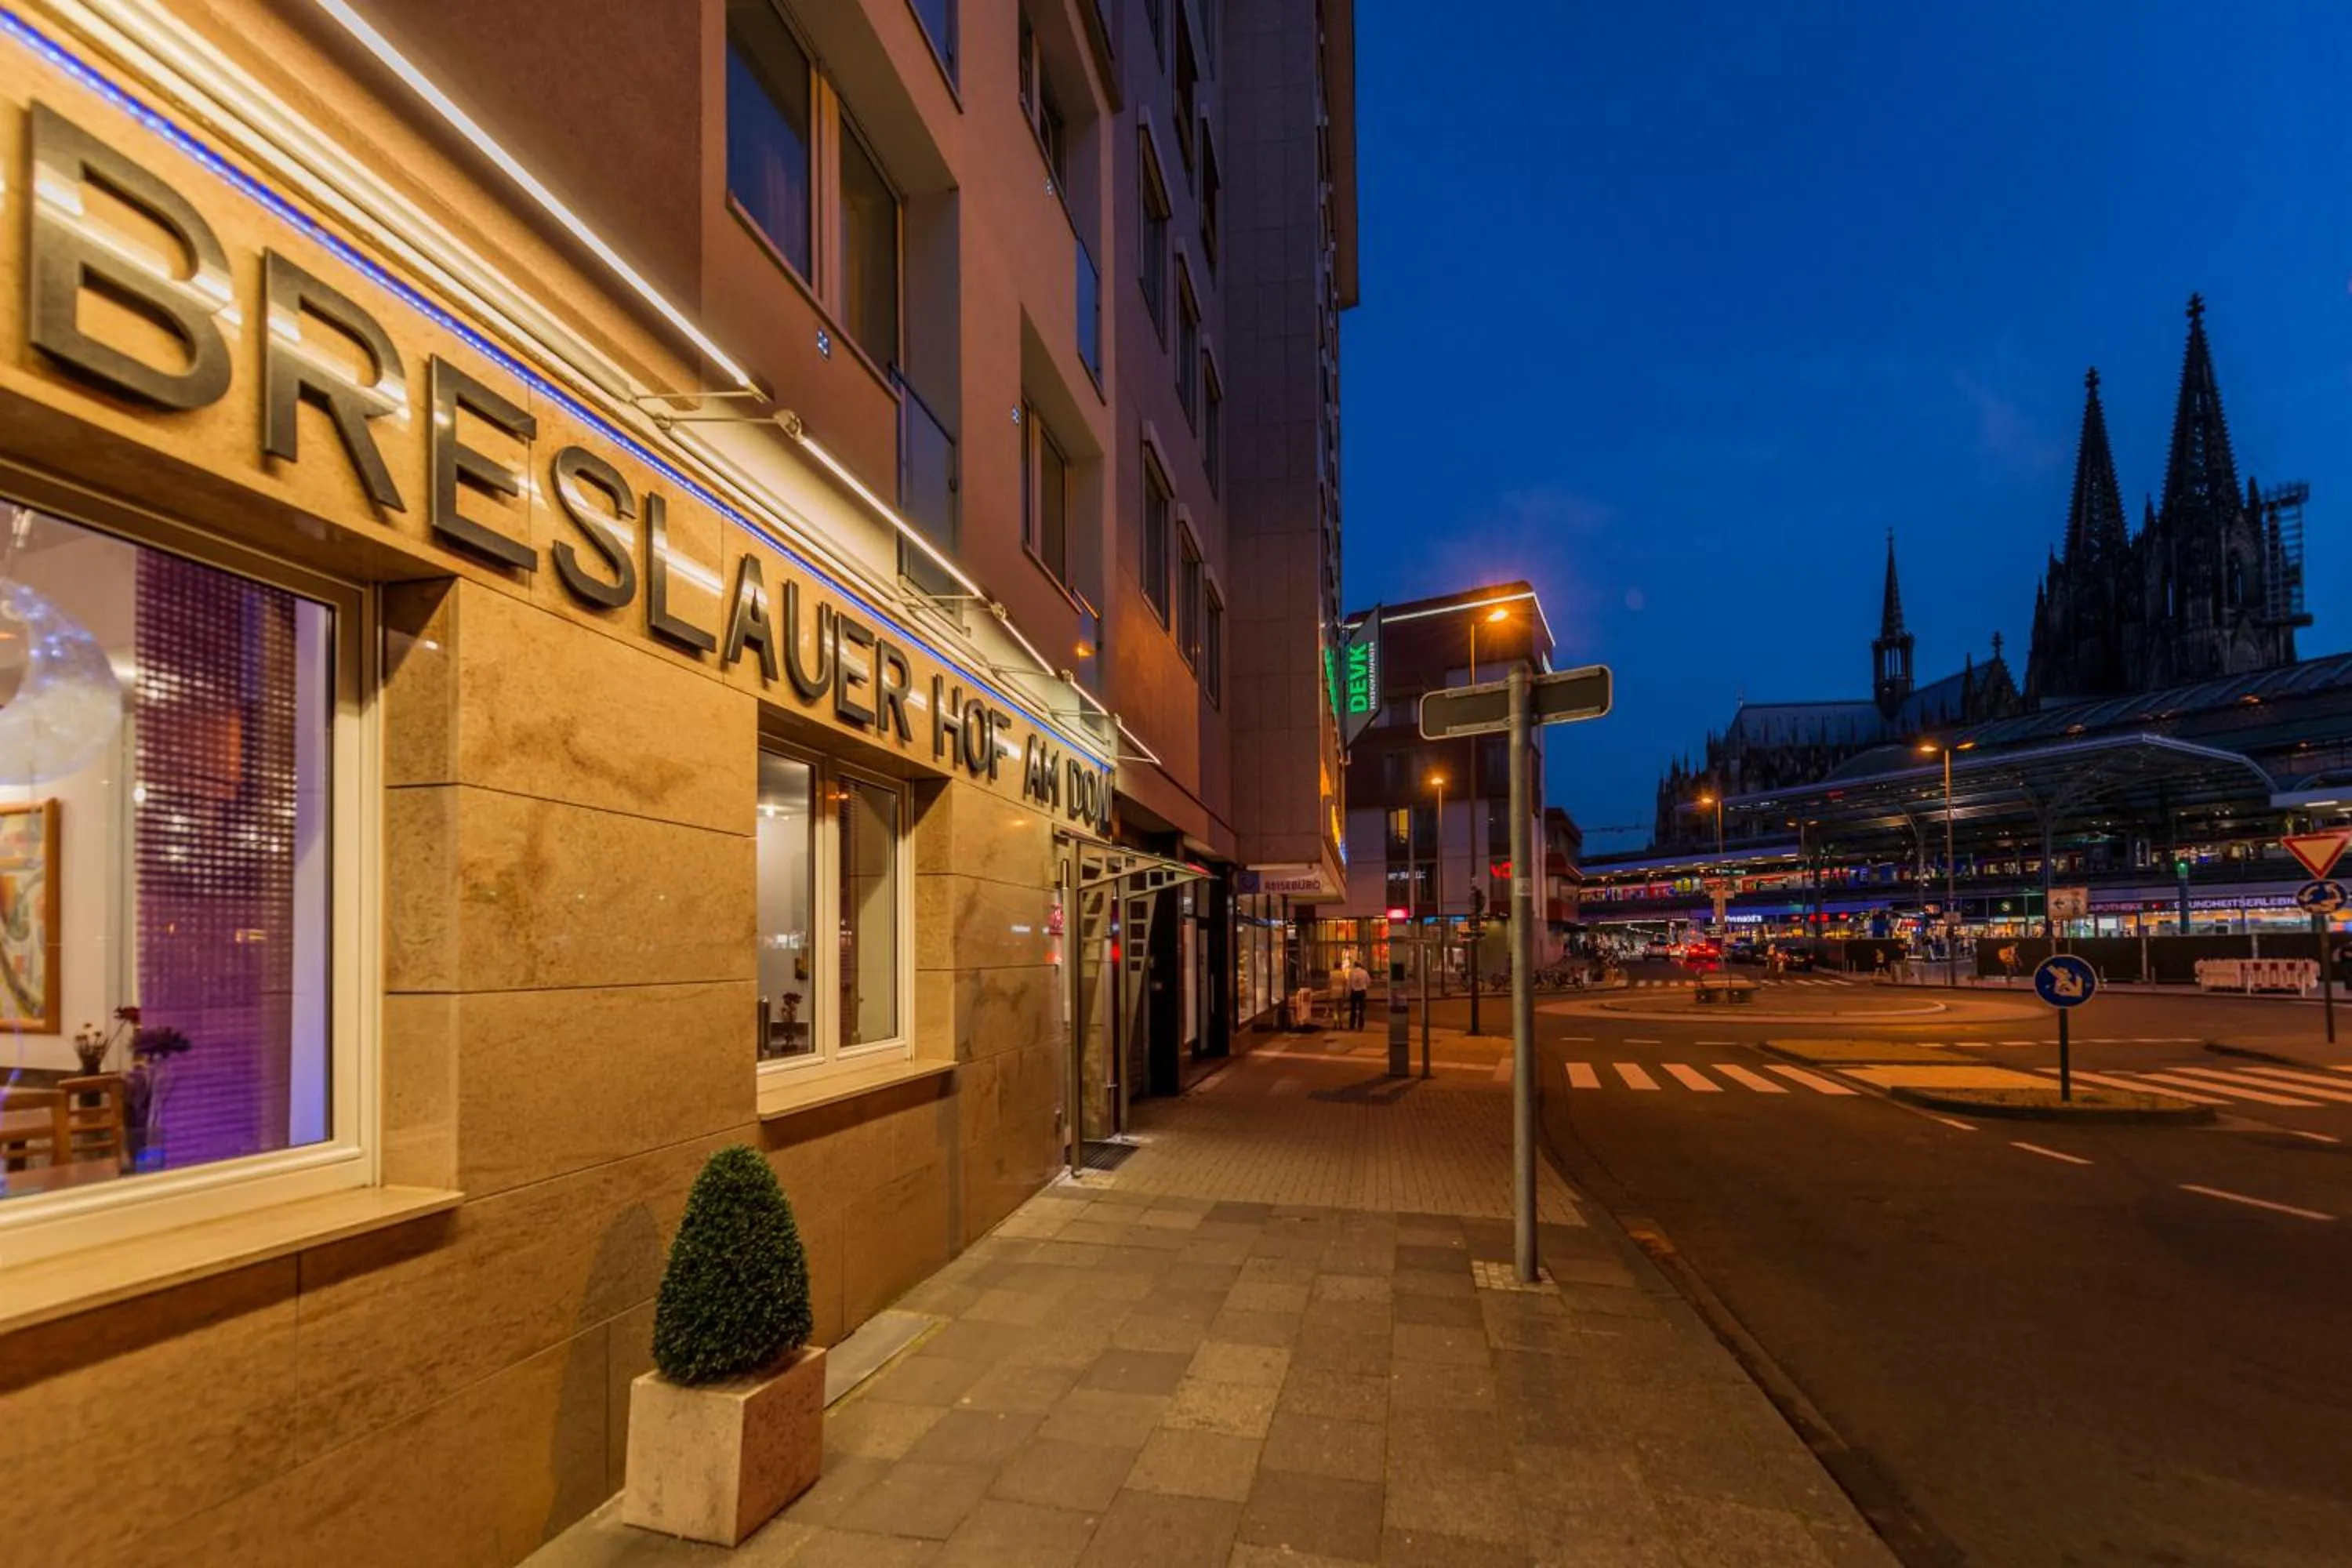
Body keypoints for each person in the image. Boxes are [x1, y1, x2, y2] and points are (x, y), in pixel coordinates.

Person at [1345, 957, 1370, 1029]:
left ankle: (1352, 1025)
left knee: (1353, 1009)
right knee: (1361, 1009)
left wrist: (1348, 993)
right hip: (1362, 992)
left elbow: (1349, 984)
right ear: (1361, 965)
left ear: (1355, 965)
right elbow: (1368, 982)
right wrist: (1365, 987)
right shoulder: (1365, 972)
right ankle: (1361, 1026)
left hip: (1354, 992)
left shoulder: (1351, 973)